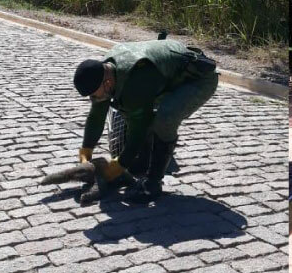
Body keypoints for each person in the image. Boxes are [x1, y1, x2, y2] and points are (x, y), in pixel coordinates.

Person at [73, 39, 218, 203]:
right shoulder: (105, 72)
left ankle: (152, 185)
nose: (93, 98)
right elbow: (97, 115)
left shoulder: (136, 80)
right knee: (136, 114)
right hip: (164, 76)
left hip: (198, 80)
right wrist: (86, 152)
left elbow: (138, 130)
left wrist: (118, 166)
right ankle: (142, 164)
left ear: (107, 83)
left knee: (165, 119)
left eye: (94, 94)